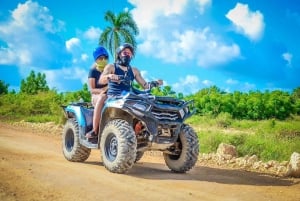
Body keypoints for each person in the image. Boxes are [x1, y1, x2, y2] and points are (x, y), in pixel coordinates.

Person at [86, 46, 109, 138]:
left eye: (105, 58)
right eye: (100, 58)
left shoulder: (109, 69)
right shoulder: (93, 71)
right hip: (97, 96)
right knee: (102, 98)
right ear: (96, 59)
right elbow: (92, 89)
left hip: (110, 95)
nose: (103, 60)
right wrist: (103, 90)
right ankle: (94, 130)